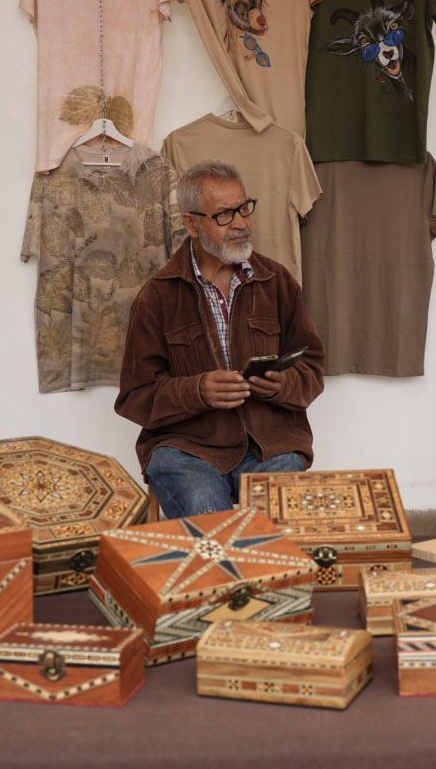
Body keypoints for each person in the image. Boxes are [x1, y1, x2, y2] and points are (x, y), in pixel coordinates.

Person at [116, 159, 325, 518]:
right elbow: (135, 397)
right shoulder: (158, 296)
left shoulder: (275, 282)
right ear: (191, 224)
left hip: (270, 444)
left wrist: (281, 384)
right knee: (206, 511)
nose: (241, 223)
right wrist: (197, 391)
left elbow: (312, 367)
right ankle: (234, 575)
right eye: (224, 215)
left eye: (244, 208)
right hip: (186, 448)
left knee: (273, 517)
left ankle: (260, 574)